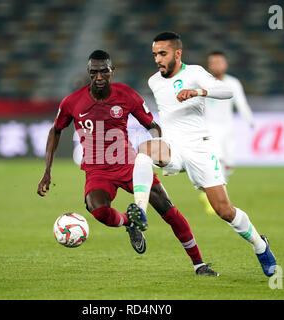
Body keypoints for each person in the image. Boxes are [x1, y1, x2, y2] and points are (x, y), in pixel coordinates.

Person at [37, 50, 218, 276]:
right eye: (94, 72)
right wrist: (47, 171)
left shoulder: (126, 95)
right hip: (97, 172)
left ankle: (199, 264)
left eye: (104, 71)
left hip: (129, 166)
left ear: (112, 71)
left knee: (167, 209)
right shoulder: (72, 102)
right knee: (99, 211)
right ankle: (129, 223)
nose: (99, 76)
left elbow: (152, 125)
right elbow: (55, 130)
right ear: (89, 73)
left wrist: (158, 147)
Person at [146, 32, 276, 277]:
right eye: (154, 55)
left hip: (199, 147)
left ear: (177, 53)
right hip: (173, 147)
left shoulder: (194, 73)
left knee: (224, 210)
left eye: (162, 54)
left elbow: (227, 92)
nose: (158, 60)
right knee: (145, 152)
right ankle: (139, 212)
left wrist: (198, 92)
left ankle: (260, 245)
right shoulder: (154, 81)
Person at [199, 51, 255, 214]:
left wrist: (250, 120)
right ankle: (215, 198)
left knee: (229, 165)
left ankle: (207, 192)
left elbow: (241, 103)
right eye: (213, 63)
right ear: (209, 65)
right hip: (210, 127)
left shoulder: (233, 83)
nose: (216, 65)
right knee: (218, 161)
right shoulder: (204, 82)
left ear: (225, 64)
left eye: (219, 62)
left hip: (228, 128)